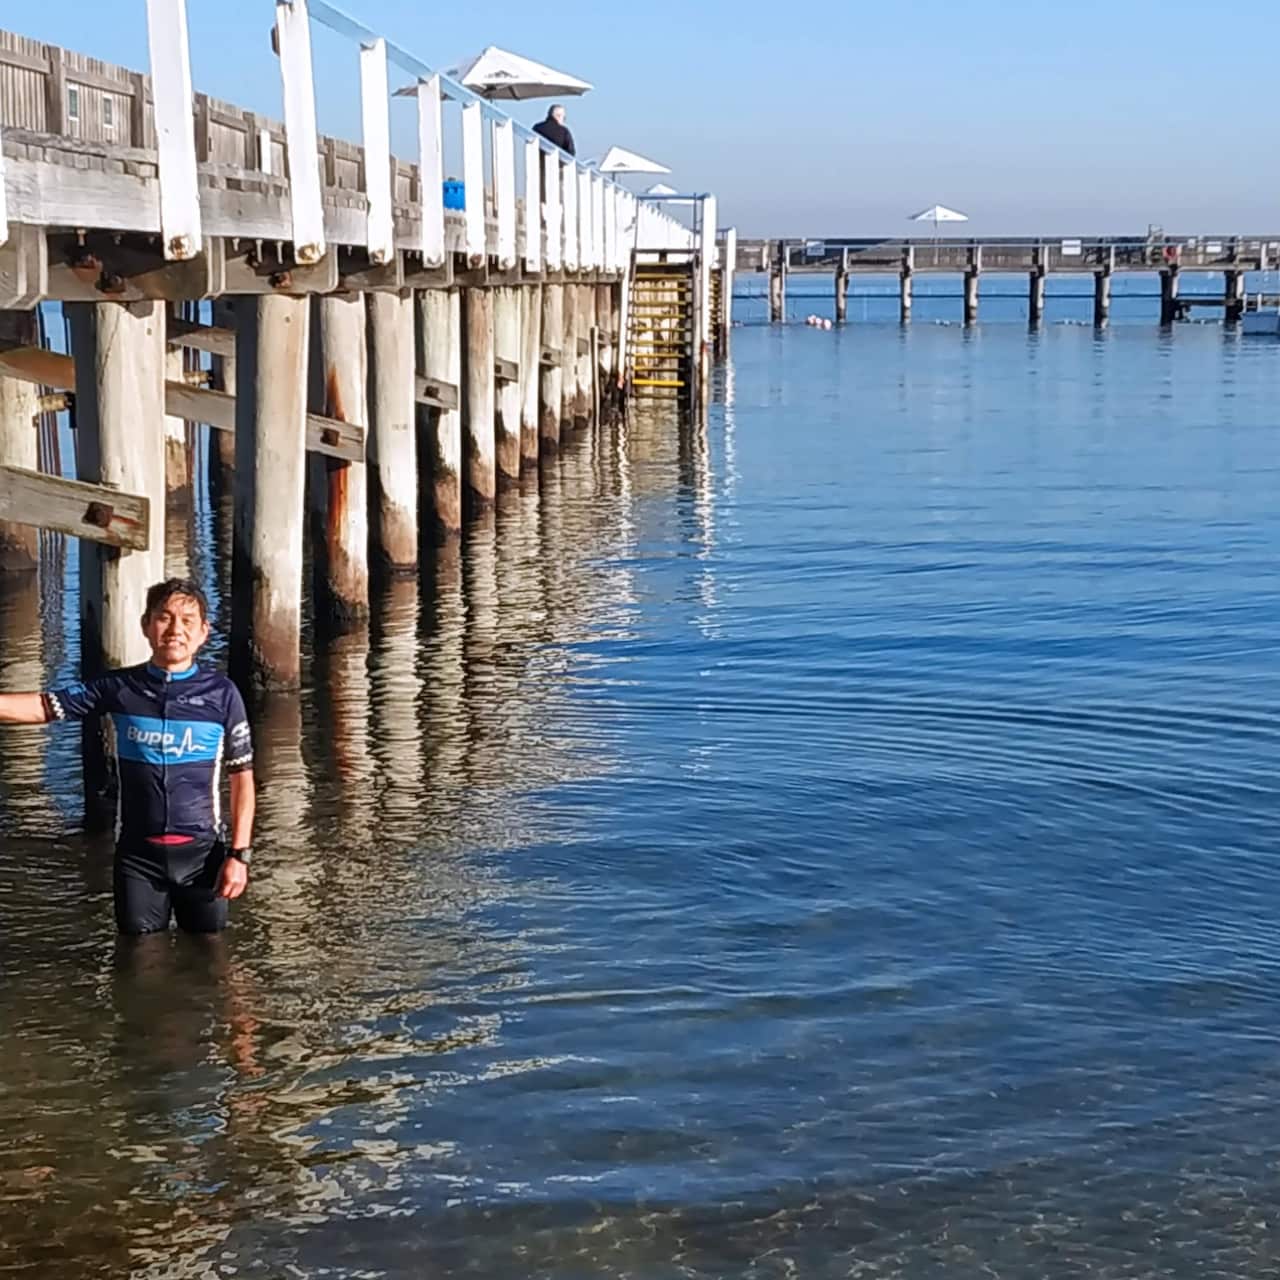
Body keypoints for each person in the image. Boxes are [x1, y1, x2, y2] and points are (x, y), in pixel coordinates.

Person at [0, 578, 256, 936]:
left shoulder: (222, 695)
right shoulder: (120, 688)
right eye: (164, 618)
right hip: (138, 858)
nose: (175, 629)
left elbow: (242, 778)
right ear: (146, 626)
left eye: (187, 620)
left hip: (203, 856)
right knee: (138, 966)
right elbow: (46, 706)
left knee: (210, 964)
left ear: (203, 632)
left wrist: (238, 856)